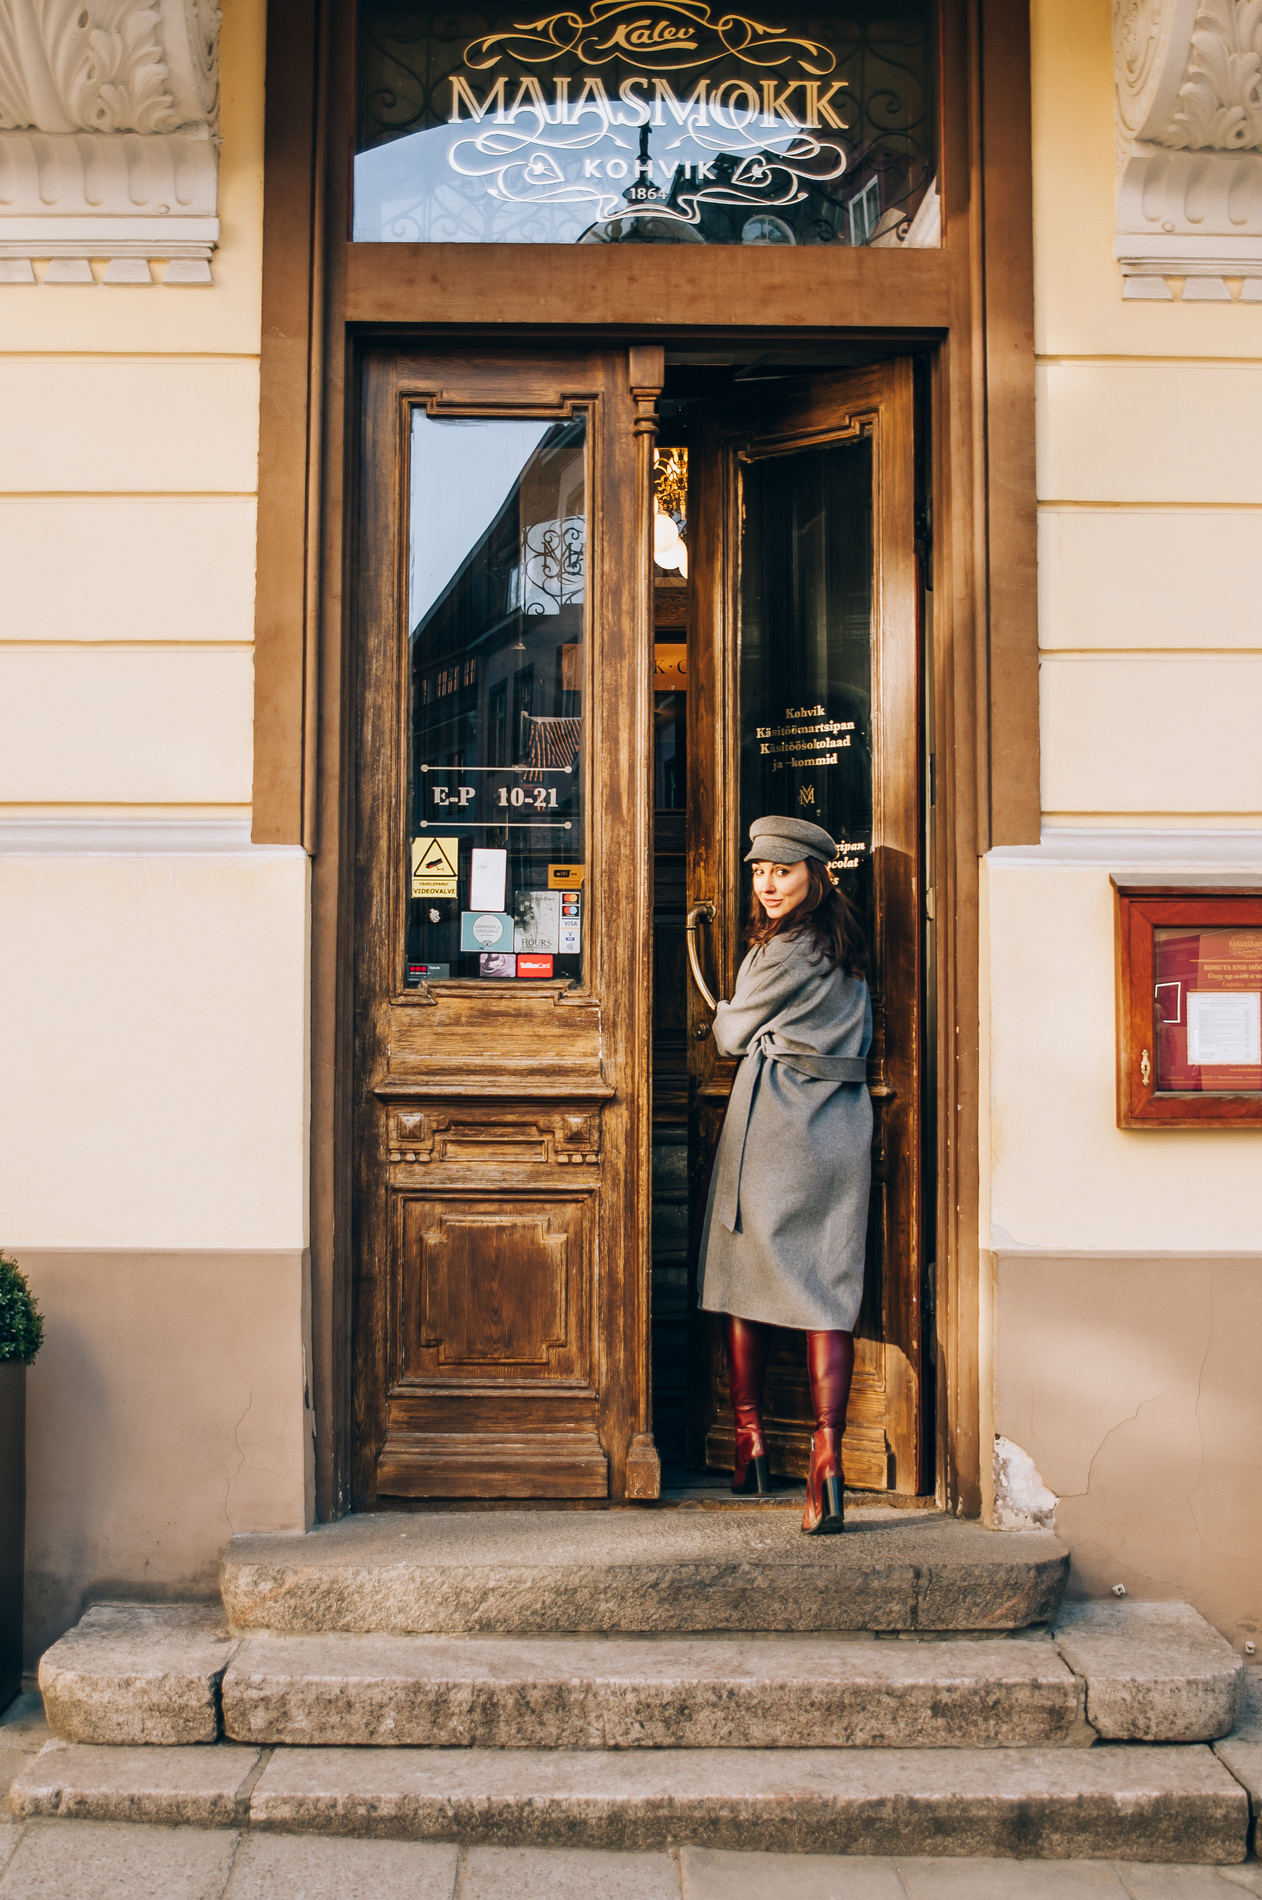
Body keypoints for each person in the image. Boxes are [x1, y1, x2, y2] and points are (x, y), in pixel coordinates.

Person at [698, 815, 872, 1535]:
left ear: (815, 875)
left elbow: (731, 1034)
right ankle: (826, 1459)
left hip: (776, 1128)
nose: (768, 885)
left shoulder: (780, 952)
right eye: (760, 871)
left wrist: (742, 1020)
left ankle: (750, 1444)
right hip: (841, 1125)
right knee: (828, 1289)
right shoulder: (845, 943)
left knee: (748, 1275)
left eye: (783, 871)